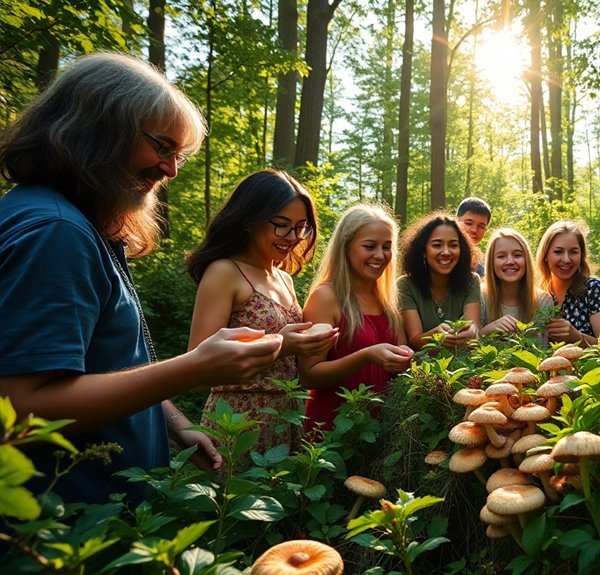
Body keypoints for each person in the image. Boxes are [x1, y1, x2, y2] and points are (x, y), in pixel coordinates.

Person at [0, 52, 282, 505]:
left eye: (179, 156)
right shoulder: (56, 233)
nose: (170, 170)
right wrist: (193, 369)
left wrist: (175, 423)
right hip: (62, 523)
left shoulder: (69, 223)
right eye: (163, 147)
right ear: (97, 130)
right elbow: (22, 407)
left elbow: (102, 366)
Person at [185, 170, 337, 454]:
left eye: (301, 227)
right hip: (239, 423)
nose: (293, 237)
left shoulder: (285, 279)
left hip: (287, 418)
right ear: (249, 221)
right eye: (281, 225)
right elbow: (197, 370)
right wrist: (280, 345)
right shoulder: (225, 272)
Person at [299, 204, 413, 433]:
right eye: (369, 246)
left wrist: (405, 357)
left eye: (387, 247)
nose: (380, 255)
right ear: (346, 247)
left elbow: (401, 355)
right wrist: (366, 356)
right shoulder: (326, 296)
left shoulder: (386, 298)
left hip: (379, 430)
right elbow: (309, 375)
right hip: (333, 432)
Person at [398, 213, 481, 349]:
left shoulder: (471, 281)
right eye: (437, 245)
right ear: (423, 250)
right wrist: (434, 335)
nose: (446, 252)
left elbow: (473, 325)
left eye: (453, 245)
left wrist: (472, 332)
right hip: (422, 367)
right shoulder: (405, 285)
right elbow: (413, 339)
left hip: (462, 366)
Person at [535, 221, 600, 345]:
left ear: (581, 255)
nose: (566, 259)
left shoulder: (594, 289)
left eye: (573, 252)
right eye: (558, 252)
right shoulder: (537, 294)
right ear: (545, 255)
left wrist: (577, 337)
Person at [479, 228, 552, 336]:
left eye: (517, 255)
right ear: (491, 262)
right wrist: (488, 330)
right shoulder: (479, 296)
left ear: (527, 260)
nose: (510, 261)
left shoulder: (543, 301)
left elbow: (542, 350)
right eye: (501, 256)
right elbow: (468, 346)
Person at [457, 197, 491, 276]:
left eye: (481, 226)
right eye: (468, 223)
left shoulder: (484, 266)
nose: (474, 230)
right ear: (456, 220)